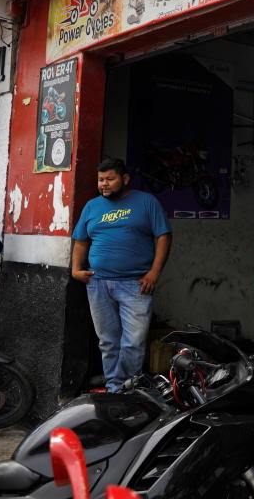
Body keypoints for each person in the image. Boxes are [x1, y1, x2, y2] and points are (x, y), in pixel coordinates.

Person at [71, 157, 172, 391]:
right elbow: (80, 241)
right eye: (100, 180)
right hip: (98, 283)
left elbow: (163, 236)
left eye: (110, 179)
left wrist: (154, 272)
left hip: (135, 284)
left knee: (133, 342)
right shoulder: (92, 206)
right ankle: (116, 388)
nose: (104, 184)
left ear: (125, 179)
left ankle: (127, 386)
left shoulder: (146, 202)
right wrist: (76, 269)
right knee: (108, 341)